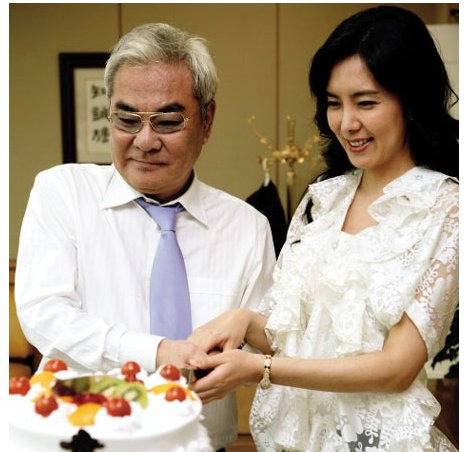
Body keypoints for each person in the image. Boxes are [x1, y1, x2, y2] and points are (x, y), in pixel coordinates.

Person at [188, 6, 459, 451]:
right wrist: (242, 322)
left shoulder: (446, 207)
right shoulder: (324, 199)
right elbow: (296, 333)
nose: (347, 123)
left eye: (366, 102)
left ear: (410, 102)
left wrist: (262, 370)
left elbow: (396, 369)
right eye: (334, 103)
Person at [14, 23, 276, 450]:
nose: (145, 141)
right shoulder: (63, 193)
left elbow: (263, 346)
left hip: (199, 443)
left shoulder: (247, 227)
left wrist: (236, 362)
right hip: (83, 439)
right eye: (127, 119)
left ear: (207, 121)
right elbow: (45, 313)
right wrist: (157, 352)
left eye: (168, 121)